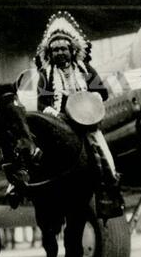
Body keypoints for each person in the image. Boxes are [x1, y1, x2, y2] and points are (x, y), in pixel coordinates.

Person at [34, 11, 124, 218]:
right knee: (36, 156)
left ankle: (110, 198)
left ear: (72, 50)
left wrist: (89, 102)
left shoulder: (86, 70)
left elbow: (103, 93)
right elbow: (42, 104)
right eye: (55, 50)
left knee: (107, 159)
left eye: (63, 49)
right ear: (50, 53)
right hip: (58, 124)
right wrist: (55, 115)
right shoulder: (45, 75)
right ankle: (19, 188)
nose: (59, 53)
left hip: (87, 124)